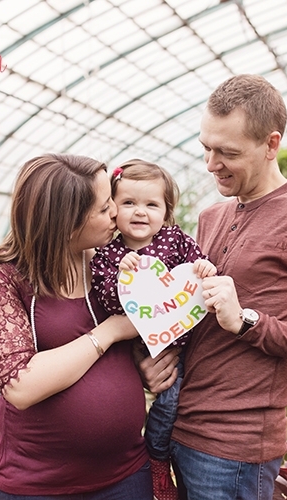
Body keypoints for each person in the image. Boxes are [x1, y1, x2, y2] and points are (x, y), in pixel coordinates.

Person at [136, 74, 287, 499]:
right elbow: (188, 319)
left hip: (233, 454)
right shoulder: (211, 216)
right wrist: (155, 360)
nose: (211, 164)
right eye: (206, 148)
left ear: (271, 144)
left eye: (228, 152)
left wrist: (248, 322)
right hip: (177, 433)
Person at [0, 153, 153, 499]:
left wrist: (147, 364)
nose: (116, 213)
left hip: (126, 475)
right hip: (36, 484)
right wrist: (112, 331)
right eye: (104, 209)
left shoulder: (114, 261)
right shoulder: (4, 276)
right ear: (67, 224)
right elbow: (20, 386)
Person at [89, 159, 216, 500]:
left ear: (166, 211)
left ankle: (165, 453)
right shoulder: (108, 254)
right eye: (129, 203)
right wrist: (122, 277)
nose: (140, 212)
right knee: (148, 404)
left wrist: (204, 267)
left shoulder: (174, 240)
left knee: (175, 402)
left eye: (151, 204)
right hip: (139, 347)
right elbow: (108, 302)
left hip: (179, 342)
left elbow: (196, 268)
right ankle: (156, 458)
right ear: (112, 208)